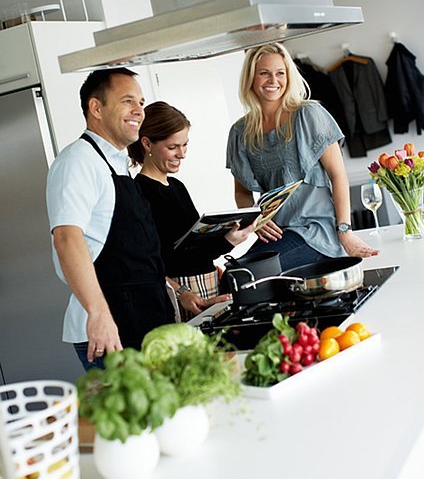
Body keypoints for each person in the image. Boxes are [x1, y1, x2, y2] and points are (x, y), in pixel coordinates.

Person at [46, 68, 177, 371]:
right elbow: (67, 239)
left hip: (141, 319)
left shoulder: (116, 163)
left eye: (141, 103)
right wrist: (98, 313)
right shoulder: (77, 161)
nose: (139, 111)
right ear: (96, 108)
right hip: (111, 331)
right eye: (127, 101)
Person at [226, 43, 379, 271]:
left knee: (240, 274)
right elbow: (242, 192)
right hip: (279, 235)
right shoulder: (240, 132)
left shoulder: (309, 115)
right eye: (264, 73)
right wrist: (255, 221)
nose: (273, 81)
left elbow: (338, 176)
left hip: (317, 232)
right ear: (251, 78)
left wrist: (345, 231)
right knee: (237, 277)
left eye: (280, 73)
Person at [128, 101, 254, 319]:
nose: (182, 154)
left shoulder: (177, 187)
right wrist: (227, 242)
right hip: (185, 294)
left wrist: (222, 244)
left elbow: (193, 246)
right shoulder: (138, 193)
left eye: (185, 145)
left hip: (208, 283)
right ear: (147, 143)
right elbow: (152, 261)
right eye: (173, 147)